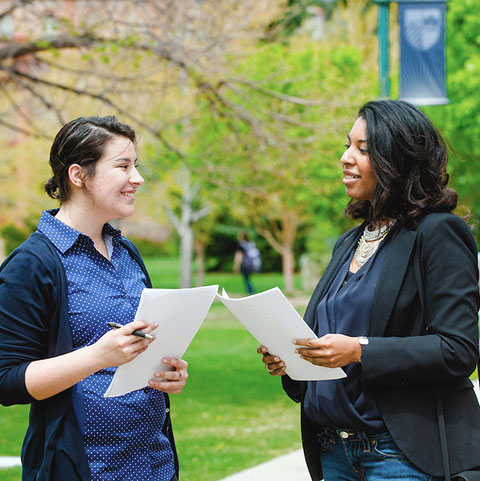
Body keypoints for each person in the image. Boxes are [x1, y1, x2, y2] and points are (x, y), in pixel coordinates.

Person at [258, 100, 480, 480]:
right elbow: (326, 340)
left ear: (399, 160)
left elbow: (458, 350)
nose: (346, 157)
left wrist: (359, 350)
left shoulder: (437, 233)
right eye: (347, 145)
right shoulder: (348, 242)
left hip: (400, 455)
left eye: (363, 149)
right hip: (333, 450)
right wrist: (291, 361)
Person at [0, 116, 187, 481]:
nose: (138, 178)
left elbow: (139, 347)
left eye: (136, 166)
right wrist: (97, 356)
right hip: (84, 467)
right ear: (78, 175)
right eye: (123, 166)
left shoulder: (126, 252)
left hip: (154, 464)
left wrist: (168, 372)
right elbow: (6, 380)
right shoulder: (32, 264)